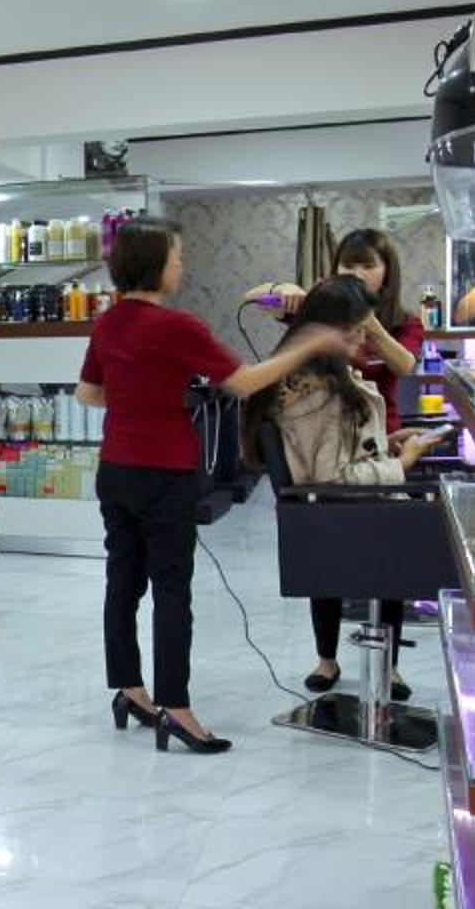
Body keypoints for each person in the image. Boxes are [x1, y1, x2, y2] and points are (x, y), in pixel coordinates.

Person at [79, 220, 363, 756]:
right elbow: (244, 382)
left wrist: (141, 397)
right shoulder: (177, 326)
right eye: (177, 257)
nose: (181, 266)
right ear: (156, 264)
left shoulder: (108, 323)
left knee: (123, 583)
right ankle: (177, 709)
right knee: (171, 590)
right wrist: (310, 343)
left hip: (115, 471)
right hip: (163, 476)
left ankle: (131, 691)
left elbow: (87, 394)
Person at [242, 278, 454, 698]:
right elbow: (336, 478)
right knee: (418, 519)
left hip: (326, 516)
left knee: (404, 510)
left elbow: (335, 454)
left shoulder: (304, 377)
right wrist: (402, 463)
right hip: (342, 518)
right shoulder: (321, 394)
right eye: (357, 330)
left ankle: (375, 664)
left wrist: (386, 443)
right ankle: (372, 664)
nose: (363, 339)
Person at [243, 225, 425, 428]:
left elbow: (405, 366)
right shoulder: (322, 311)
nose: (357, 275)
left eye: (368, 266)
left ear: (387, 272)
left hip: (378, 431)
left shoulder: (406, 322)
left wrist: (371, 327)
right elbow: (250, 297)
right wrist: (281, 289)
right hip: (324, 431)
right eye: (348, 266)